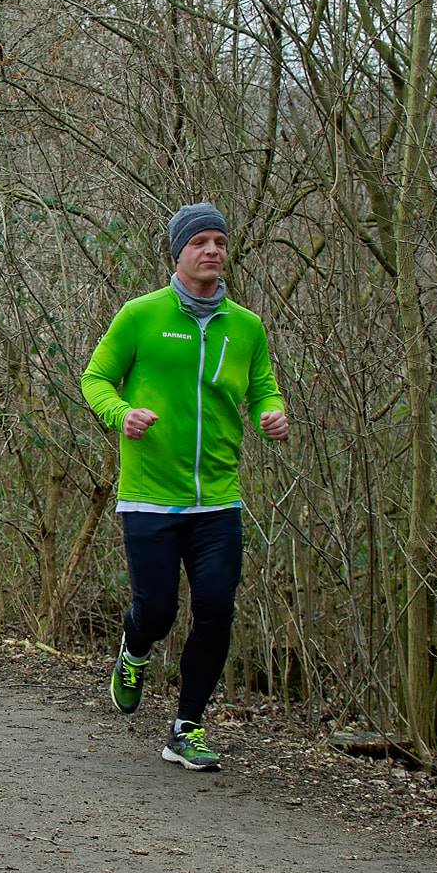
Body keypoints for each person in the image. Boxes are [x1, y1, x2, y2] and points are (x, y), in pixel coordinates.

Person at [80, 202, 289, 772]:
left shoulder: (246, 326)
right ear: (178, 253)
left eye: (220, 241)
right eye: (201, 242)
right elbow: (95, 378)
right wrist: (119, 413)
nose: (213, 251)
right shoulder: (142, 315)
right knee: (157, 610)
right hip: (150, 493)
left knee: (217, 608)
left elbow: (264, 387)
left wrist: (273, 412)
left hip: (218, 497)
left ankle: (187, 726)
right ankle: (134, 646)